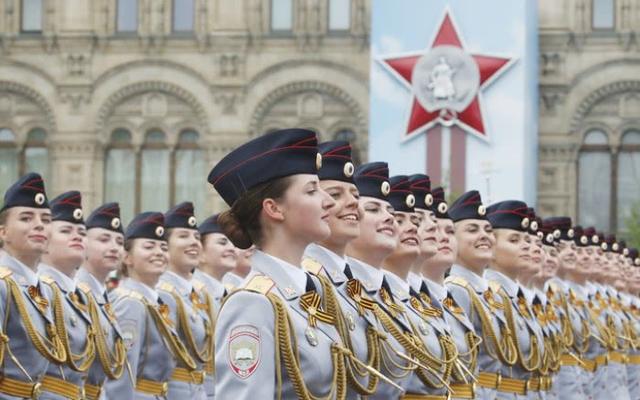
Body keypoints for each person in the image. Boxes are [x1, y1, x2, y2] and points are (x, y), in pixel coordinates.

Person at [209, 128, 347, 399]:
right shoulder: (253, 304)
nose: (328, 201)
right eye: (312, 190)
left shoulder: (313, 293)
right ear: (274, 209)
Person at [302, 141, 400, 398]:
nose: (352, 204)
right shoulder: (307, 282)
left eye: (355, 196)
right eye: (335, 195)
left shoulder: (353, 284)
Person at [105, 212, 194, 399]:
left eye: (163, 247)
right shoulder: (131, 303)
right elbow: (122, 375)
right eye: (148, 247)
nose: (159, 253)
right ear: (127, 258)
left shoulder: (155, 302)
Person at [0, 172, 66, 398]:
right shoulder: (2, 286)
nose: (39, 225)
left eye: (46, 220)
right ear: (3, 232)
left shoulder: (43, 290)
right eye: (26, 218)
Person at [445, 190, 516, 400]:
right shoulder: (456, 290)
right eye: (472, 229)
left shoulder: (489, 294)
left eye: (487, 229)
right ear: (452, 239)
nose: (484, 235)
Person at [37, 191, 94, 400]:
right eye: (66, 230)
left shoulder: (80, 297)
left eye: (81, 231)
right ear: (44, 241)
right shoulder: (38, 291)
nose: (77, 235)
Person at [484, 201, 544, 400]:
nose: (527, 246)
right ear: (491, 246)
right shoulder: (487, 296)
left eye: (527, 240)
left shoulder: (517, 298)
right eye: (514, 240)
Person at [157, 202, 212, 399]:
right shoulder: (163, 294)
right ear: (165, 246)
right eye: (183, 236)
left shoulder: (194, 295)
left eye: (197, 237)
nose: (194, 243)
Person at [77, 202, 127, 400]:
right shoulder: (76, 293)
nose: (114, 247)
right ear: (83, 243)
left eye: (119, 241)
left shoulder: (101, 295)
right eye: (104, 239)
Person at [192, 212, 235, 399]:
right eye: (222, 242)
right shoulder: (192, 295)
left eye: (232, 242)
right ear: (200, 253)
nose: (232, 248)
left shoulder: (232, 293)